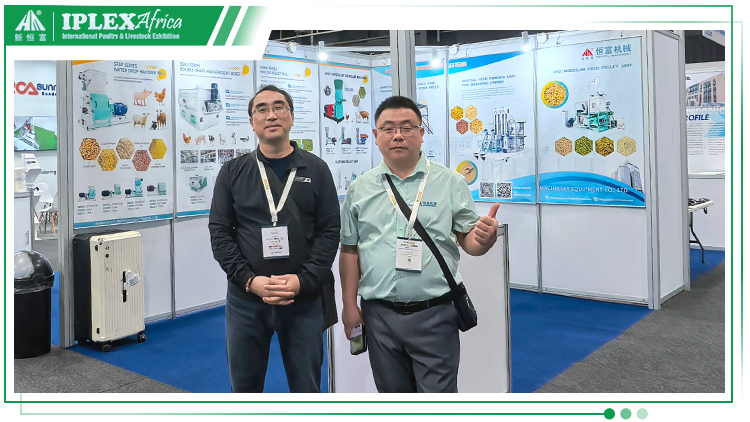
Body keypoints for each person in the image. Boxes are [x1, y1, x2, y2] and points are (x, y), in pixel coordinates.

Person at [339, 95, 500, 393]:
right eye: (388, 128)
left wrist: (483, 240)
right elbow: (350, 250)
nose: (398, 135)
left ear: (422, 133)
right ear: (376, 135)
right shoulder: (360, 188)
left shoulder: (450, 182)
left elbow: (469, 242)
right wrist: (349, 305)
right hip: (379, 315)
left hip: (435, 313)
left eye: (407, 127)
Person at [209, 85, 340, 393]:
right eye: (262, 109)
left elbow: (330, 231)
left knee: (307, 388)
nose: (271, 115)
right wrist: (249, 280)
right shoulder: (233, 172)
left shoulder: (317, 169)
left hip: (304, 300)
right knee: (245, 389)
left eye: (279, 107)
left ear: (291, 118)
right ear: (252, 122)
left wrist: (303, 280)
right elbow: (220, 232)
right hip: (247, 301)